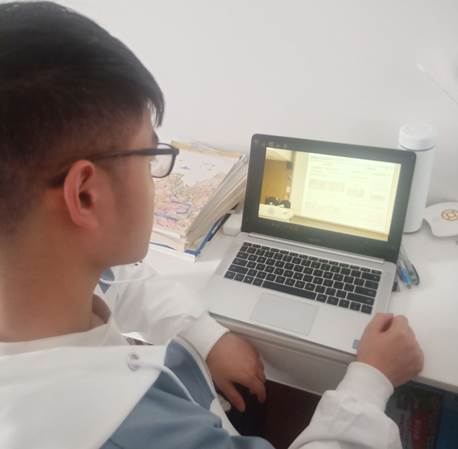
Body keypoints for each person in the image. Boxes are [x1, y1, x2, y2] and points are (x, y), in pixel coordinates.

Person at [0, 2, 423, 449]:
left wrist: (209, 336)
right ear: (86, 195)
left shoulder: (35, 281)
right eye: (150, 155)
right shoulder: (142, 435)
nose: (156, 176)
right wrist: (371, 379)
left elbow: (119, 281)